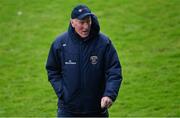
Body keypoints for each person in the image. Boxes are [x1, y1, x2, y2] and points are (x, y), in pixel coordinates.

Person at [46, 4, 123, 117]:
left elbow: (114, 70)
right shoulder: (60, 44)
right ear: (72, 23)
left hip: (96, 111)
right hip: (68, 111)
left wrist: (109, 95)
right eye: (81, 23)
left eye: (88, 21)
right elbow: (52, 70)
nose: (86, 27)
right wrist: (63, 93)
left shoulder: (104, 43)